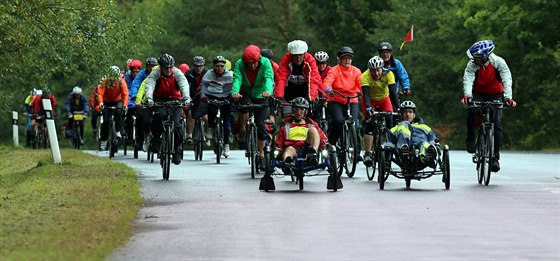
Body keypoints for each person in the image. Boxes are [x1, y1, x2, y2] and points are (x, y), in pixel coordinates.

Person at [461, 40, 516, 172]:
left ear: (485, 57)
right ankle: (470, 138)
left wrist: (508, 98)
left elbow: (506, 79)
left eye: (477, 58)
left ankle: (494, 159)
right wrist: (467, 95)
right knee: (473, 111)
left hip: (496, 94)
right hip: (478, 93)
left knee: (496, 124)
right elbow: (468, 79)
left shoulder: (499, 62)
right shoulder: (472, 65)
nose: (474, 59)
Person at [145, 53, 191, 165]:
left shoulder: (177, 73)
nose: (169, 70)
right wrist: (149, 99)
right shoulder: (156, 72)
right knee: (157, 117)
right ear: (161, 67)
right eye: (166, 67)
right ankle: (156, 139)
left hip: (175, 99)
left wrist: (186, 98)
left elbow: (184, 84)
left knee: (177, 125)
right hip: (159, 99)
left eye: (171, 67)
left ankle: (177, 150)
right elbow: (150, 84)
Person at [231, 44, 274, 167]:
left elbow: (268, 77)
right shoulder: (239, 64)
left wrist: (267, 91)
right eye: (249, 63)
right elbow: (237, 79)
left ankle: (261, 153)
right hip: (246, 92)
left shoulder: (265, 63)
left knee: (261, 125)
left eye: (255, 63)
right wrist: (235, 92)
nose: (252, 66)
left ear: (259, 59)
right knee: (244, 106)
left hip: (262, 94)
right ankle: (243, 129)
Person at [323, 46, 362, 158]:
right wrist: (328, 88)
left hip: (352, 99)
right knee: (339, 121)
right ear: (339, 59)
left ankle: (356, 151)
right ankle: (331, 144)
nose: (347, 60)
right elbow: (328, 81)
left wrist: (361, 91)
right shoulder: (334, 70)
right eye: (345, 58)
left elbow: (361, 84)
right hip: (336, 99)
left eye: (349, 58)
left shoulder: (356, 71)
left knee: (354, 124)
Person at [193, 55, 233, 158]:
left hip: (226, 97)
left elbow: (234, 87)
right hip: (212, 96)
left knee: (227, 124)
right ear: (214, 66)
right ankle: (210, 127)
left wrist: (234, 95)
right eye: (217, 66)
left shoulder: (229, 75)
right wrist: (203, 96)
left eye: (222, 66)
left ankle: (226, 145)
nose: (220, 68)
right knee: (211, 111)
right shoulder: (209, 74)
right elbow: (204, 86)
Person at [361, 56, 396, 166]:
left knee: (390, 120)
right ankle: (367, 153)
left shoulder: (389, 74)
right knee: (369, 124)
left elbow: (393, 93)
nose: (376, 73)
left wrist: (398, 108)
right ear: (369, 70)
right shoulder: (365, 76)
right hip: (370, 101)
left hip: (384, 100)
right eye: (373, 71)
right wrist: (368, 108)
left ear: (382, 68)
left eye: (378, 70)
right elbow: (366, 95)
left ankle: (389, 147)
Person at [275, 97, 329, 167]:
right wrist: (278, 151)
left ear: (306, 111)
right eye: (296, 109)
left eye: (301, 109)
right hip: (292, 149)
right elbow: (279, 143)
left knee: (313, 130)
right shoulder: (286, 126)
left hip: (308, 149)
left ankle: (313, 155)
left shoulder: (311, 124)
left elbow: (322, 138)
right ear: (292, 110)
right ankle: (288, 163)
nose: (298, 112)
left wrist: (326, 147)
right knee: (290, 149)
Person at [387, 100, 438, 169]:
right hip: (404, 156)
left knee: (424, 144)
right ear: (401, 115)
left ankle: (426, 157)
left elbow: (434, 141)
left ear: (414, 115)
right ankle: (404, 151)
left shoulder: (424, 127)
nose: (407, 114)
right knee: (404, 124)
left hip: (421, 157)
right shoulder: (395, 129)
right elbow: (388, 145)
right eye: (405, 112)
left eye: (410, 112)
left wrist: (435, 149)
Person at [97, 65, 129, 150]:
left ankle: (118, 131)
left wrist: (125, 105)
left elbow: (125, 94)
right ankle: (104, 140)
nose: (113, 79)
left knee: (119, 112)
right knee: (105, 121)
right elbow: (100, 93)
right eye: (111, 77)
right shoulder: (105, 81)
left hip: (117, 101)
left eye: (115, 77)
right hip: (106, 101)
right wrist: (101, 103)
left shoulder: (121, 81)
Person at [132, 57, 158, 151]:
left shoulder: (161, 74)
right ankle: (142, 138)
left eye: (153, 66)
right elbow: (138, 86)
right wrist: (137, 99)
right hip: (145, 101)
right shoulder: (143, 76)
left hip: (158, 101)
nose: (151, 68)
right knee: (142, 119)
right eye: (149, 66)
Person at [378, 42, 411, 112]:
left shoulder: (396, 63)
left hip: (393, 93)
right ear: (379, 54)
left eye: (387, 52)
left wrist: (406, 88)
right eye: (383, 52)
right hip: (379, 93)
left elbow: (403, 76)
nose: (385, 55)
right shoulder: (375, 63)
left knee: (396, 112)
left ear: (391, 53)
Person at [185, 56, 208, 144]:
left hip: (203, 98)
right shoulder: (188, 74)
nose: (199, 68)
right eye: (197, 66)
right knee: (191, 114)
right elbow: (184, 86)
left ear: (203, 66)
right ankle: (189, 135)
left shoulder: (207, 74)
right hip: (191, 98)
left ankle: (206, 134)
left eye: (201, 66)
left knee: (206, 117)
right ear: (193, 66)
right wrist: (187, 97)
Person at [123, 59, 142, 147]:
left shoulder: (142, 77)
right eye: (134, 71)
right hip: (129, 100)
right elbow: (124, 90)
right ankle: (129, 135)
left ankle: (140, 137)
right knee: (128, 116)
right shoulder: (125, 77)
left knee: (141, 117)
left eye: (137, 71)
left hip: (139, 100)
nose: (136, 73)